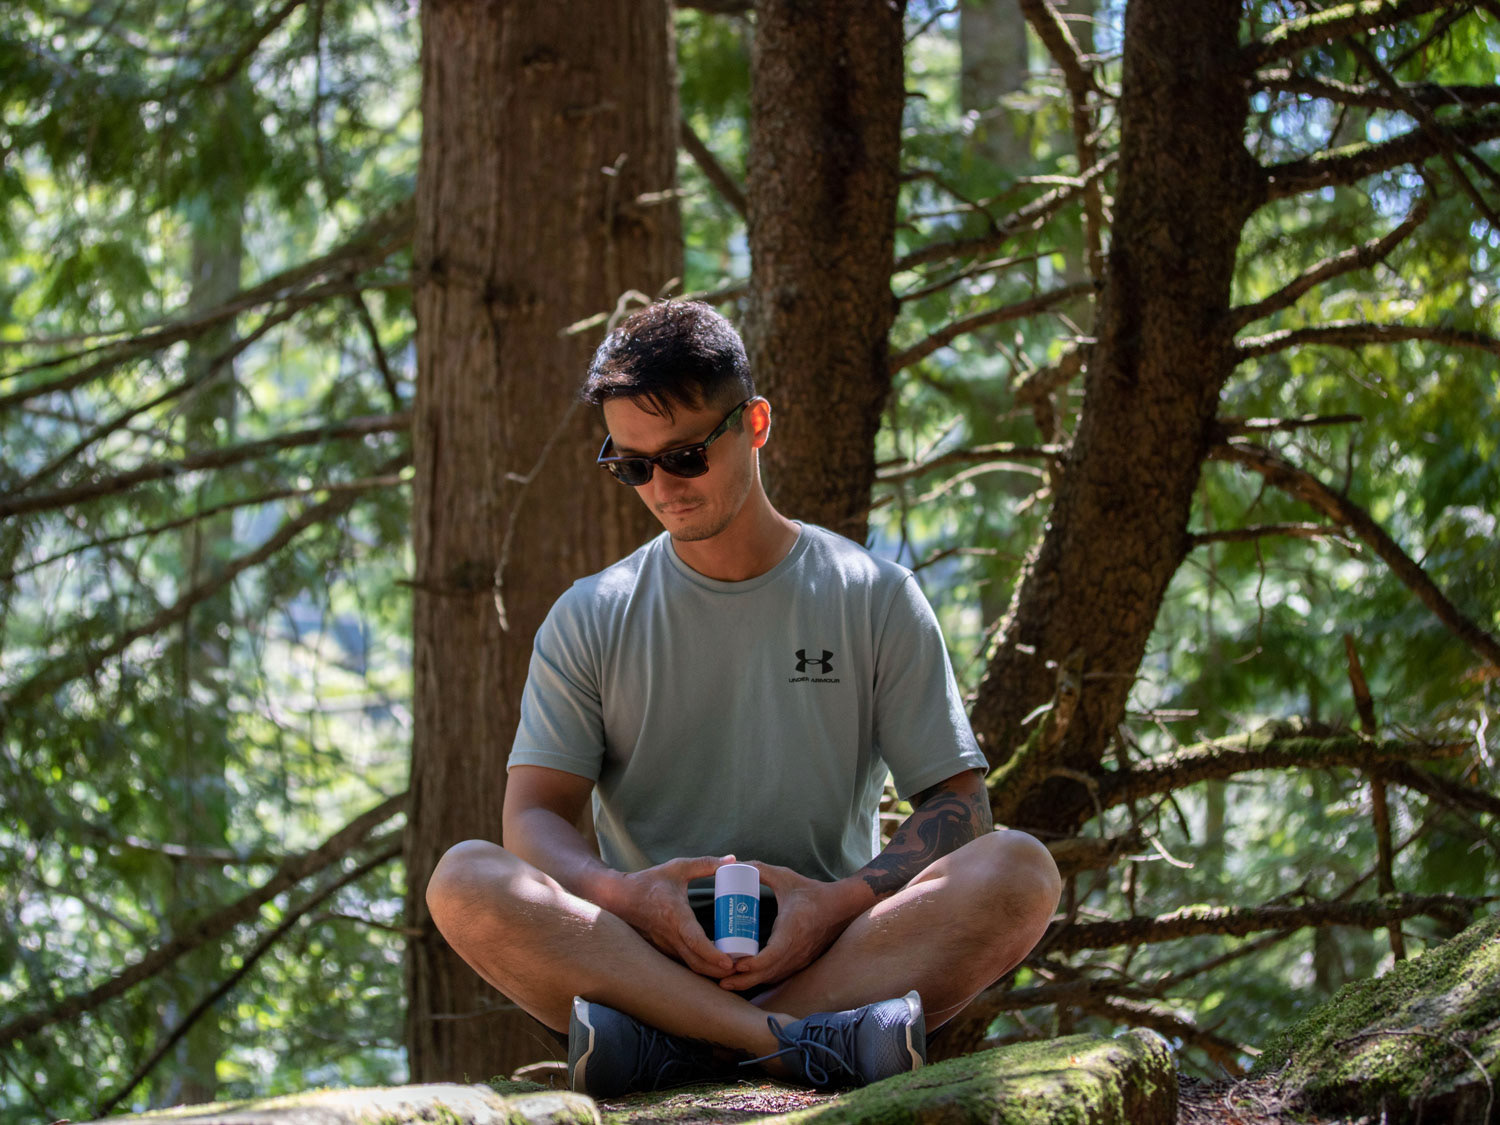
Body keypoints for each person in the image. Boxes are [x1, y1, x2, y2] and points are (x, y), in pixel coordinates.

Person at [425, 301, 1061, 1099]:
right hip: (639, 956)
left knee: (1020, 869)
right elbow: (533, 817)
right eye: (632, 466)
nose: (662, 487)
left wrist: (833, 905)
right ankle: (792, 1045)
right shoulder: (591, 613)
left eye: (686, 456)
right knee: (464, 879)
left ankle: (675, 1045)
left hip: (836, 952)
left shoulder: (873, 595)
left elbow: (960, 804)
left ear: (755, 423)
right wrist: (629, 897)